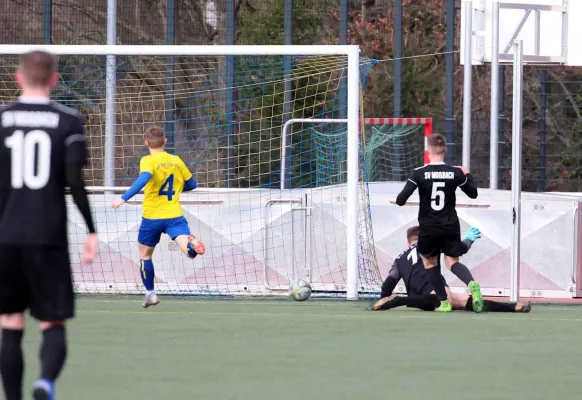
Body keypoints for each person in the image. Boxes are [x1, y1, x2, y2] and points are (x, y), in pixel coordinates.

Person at [0, 51, 98, 400]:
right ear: (55, 79)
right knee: (51, 322)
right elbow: (75, 182)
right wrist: (90, 229)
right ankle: (45, 383)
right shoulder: (68, 121)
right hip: (48, 235)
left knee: (10, 323)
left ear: (18, 77)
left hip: (6, 237)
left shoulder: (2, 118)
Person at [112, 126, 205, 308]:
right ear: (165, 141)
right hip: (174, 215)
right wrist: (178, 188)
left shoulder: (148, 160)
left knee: (145, 255)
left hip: (152, 217)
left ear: (146, 143)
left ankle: (150, 294)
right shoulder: (176, 160)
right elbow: (192, 184)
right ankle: (192, 246)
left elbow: (144, 177)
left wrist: (123, 198)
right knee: (187, 252)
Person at [396, 133, 482, 313]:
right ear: (446, 150)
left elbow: (401, 199)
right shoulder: (455, 172)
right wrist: (467, 175)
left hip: (428, 227)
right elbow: (473, 193)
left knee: (429, 263)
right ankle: (471, 283)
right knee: (452, 263)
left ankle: (444, 302)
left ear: (427, 151)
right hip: (450, 225)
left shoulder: (418, 173)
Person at [372, 226, 531, 313]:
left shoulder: (399, 260)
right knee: (462, 302)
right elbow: (454, 250)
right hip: (437, 290)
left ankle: (397, 300)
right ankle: (514, 306)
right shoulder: (428, 245)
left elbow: (388, 283)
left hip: (421, 296)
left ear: (408, 243)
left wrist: (383, 298)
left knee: (463, 302)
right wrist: (468, 240)